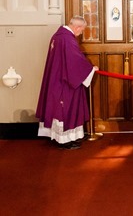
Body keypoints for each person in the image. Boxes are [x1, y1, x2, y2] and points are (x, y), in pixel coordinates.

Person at [36, 16, 99, 150]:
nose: (81, 33)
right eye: (81, 30)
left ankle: (64, 138)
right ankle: (64, 141)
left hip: (56, 78)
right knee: (66, 109)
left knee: (59, 109)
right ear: (77, 27)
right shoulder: (68, 39)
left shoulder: (57, 35)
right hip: (66, 81)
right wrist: (90, 69)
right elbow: (74, 60)